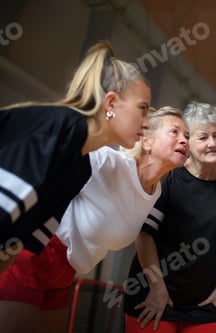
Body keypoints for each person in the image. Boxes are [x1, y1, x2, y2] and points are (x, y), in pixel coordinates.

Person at [0, 107, 189, 333]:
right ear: (146, 142)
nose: (184, 140)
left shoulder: (155, 191)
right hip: (34, 255)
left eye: (187, 135)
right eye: (175, 132)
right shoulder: (107, 161)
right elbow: (49, 158)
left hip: (66, 273)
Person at [0, 40, 151, 271]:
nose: (147, 122)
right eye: (143, 108)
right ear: (110, 102)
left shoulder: (81, 167)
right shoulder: (57, 129)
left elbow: (15, 245)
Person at [123, 101, 216, 333]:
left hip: (203, 303)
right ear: (188, 143)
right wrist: (157, 289)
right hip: (154, 295)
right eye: (203, 137)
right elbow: (143, 236)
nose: (212, 143)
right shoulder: (170, 178)